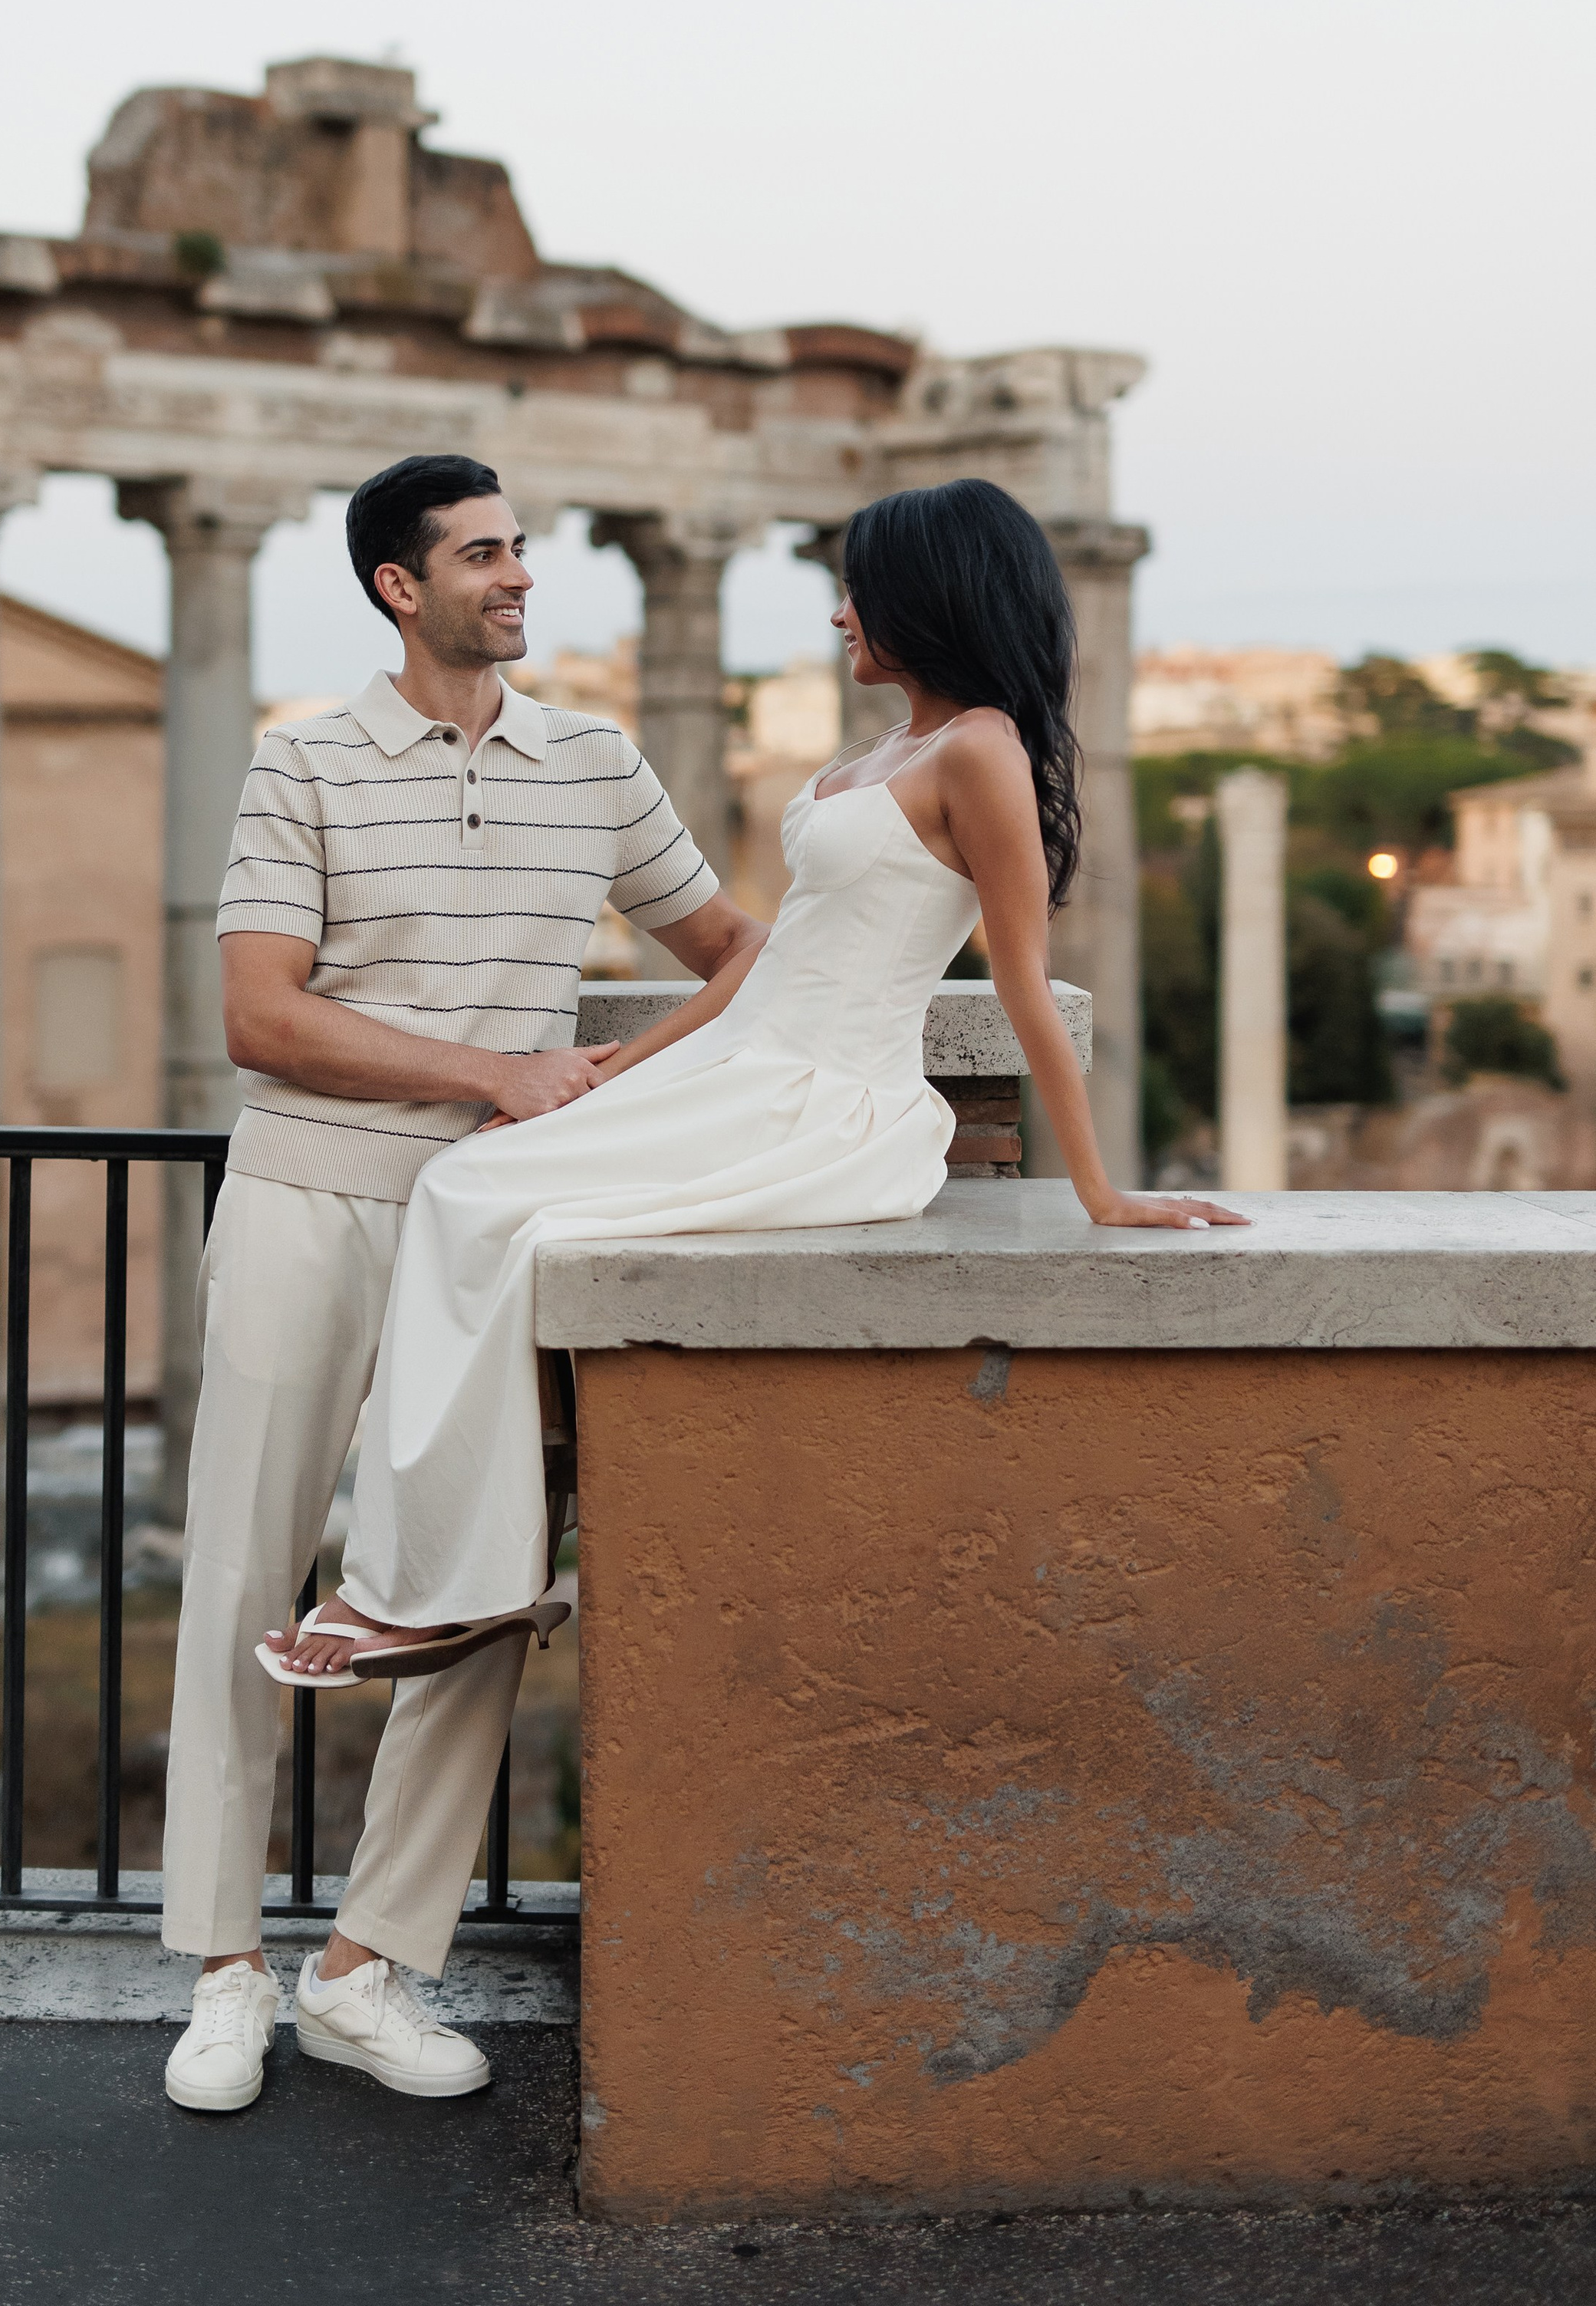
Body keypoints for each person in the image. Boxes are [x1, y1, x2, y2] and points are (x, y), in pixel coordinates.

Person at [283, 478, 1246, 1684]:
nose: (841, 616)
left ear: (928, 597)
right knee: (474, 1184)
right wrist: (612, 1070)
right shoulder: (887, 747)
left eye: (861, 591)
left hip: (830, 1103)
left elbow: (1022, 987)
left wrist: (1103, 1193)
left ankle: (438, 1588)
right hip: (746, 1068)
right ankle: (443, 1577)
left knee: (477, 1206)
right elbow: (773, 955)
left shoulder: (983, 750)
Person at [160, 453, 767, 2113]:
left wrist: (612, 1078)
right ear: (395, 585)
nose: (516, 577)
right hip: (306, 1201)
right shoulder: (302, 766)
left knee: (468, 1589)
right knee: (247, 1575)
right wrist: (497, 1070)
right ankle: (224, 1970)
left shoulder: (594, 762)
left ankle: (366, 1967)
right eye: (483, 554)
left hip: (489, 1230)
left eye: (519, 549)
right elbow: (259, 1016)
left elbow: (740, 953)